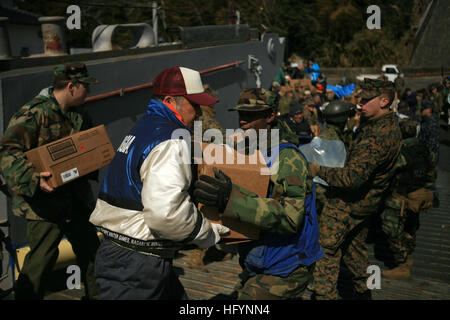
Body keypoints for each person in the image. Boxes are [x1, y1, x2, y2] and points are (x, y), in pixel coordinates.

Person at [89, 66, 230, 300]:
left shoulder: (143, 129)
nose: (198, 113)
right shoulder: (172, 140)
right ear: (169, 101)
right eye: (193, 105)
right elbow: (166, 215)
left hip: (122, 253)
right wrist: (208, 233)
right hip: (136, 264)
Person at [192, 88, 323, 300]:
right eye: (241, 114)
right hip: (260, 258)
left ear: (270, 116)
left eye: (251, 115)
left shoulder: (288, 158)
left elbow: (291, 218)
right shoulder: (250, 149)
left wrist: (230, 199)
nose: (243, 121)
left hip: (287, 265)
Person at [0, 62, 101, 300]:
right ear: (71, 86)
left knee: (92, 254)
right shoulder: (34, 113)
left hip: (76, 198)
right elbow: (7, 153)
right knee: (40, 262)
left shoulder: (80, 114)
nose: (89, 92)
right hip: (44, 204)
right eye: (85, 87)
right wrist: (33, 179)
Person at [308, 78, 402, 300]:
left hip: (347, 204)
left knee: (325, 250)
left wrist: (316, 170)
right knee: (355, 250)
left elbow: (351, 179)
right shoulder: (384, 126)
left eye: (367, 100)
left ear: (384, 101)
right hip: (365, 205)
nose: (360, 105)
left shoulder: (378, 136)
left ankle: (325, 296)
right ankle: (366, 291)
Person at [380, 119, 435, 279]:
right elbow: (431, 173)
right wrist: (425, 190)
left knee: (391, 229)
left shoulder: (400, 151)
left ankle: (402, 264)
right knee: (410, 229)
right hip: (418, 197)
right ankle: (408, 258)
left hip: (400, 197)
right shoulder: (424, 150)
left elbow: (388, 172)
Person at [418, 101, 440, 207]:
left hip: (429, 154)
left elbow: (431, 142)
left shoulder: (431, 123)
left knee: (429, 177)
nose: (421, 111)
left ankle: (434, 198)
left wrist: (426, 155)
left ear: (429, 110)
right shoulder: (427, 120)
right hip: (427, 153)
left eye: (423, 109)